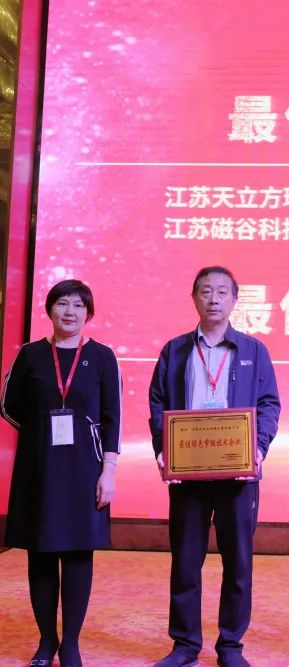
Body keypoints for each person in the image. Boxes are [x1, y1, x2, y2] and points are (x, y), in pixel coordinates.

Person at [149, 266, 280, 667]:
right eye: (206, 291)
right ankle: (185, 644)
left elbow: (269, 404)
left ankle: (231, 645)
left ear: (234, 300)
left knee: (237, 561)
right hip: (188, 473)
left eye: (222, 292)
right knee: (186, 560)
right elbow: (158, 401)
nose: (214, 299)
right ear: (194, 298)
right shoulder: (175, 350)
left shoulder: (253, 350)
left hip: (238, 474)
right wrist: (163, 447)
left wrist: (258, 448)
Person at [2, 279, 121, 667]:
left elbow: (112, 418)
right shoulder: (30, 355)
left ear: (89, 313)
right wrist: (41, 431)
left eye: (78, 305)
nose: (70, 312)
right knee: (40, 552)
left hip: (86, 470)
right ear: (49, 309)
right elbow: (9, 406)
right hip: (39, 468)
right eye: (62, 304)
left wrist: (108, 471)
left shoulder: (102, 357)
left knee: (77, 555)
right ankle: (46, 641)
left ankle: (70, 644)